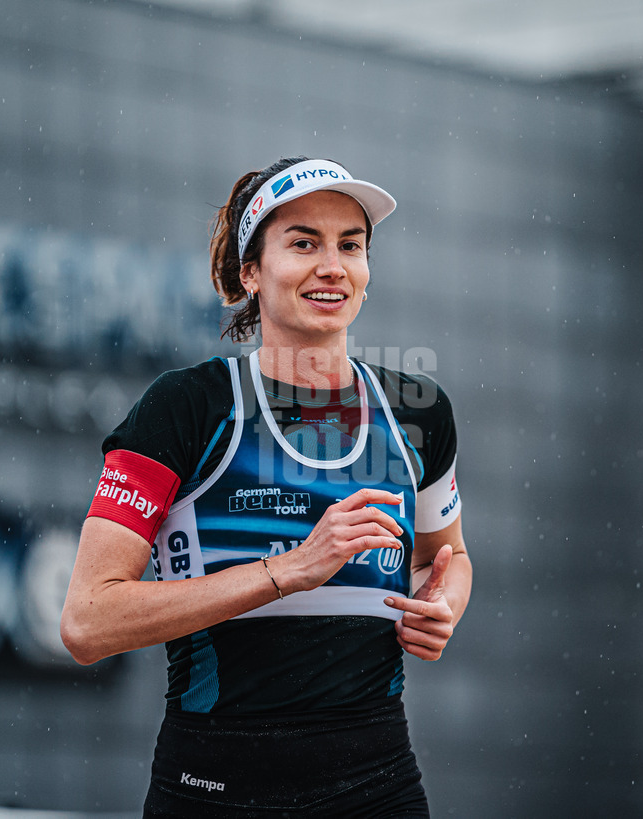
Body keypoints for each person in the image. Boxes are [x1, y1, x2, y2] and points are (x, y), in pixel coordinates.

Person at [60, 156, 472, 817]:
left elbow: (444, 556)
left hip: (378, 783)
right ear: (251, 271)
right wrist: (288, 570)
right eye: (303, 242)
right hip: (217, 785)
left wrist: (444, 600)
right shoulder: (187, 405)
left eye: (351, 245)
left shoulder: (417, 409)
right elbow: (86, 621)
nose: (332, 265)